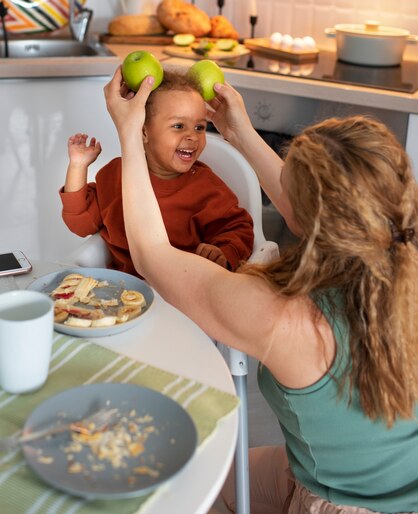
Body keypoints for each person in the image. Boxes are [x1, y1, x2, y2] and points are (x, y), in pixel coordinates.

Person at [104, 65, 418, 514]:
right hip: (376, 484)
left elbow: (153, 255)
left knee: (170, 492)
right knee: (201, 479)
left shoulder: (287, 318)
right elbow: (301, 207)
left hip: (338, 505)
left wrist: (130, 136)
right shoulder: (404, 248)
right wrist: (240, 133)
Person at [59, 71, 254, 276]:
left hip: (184, 292)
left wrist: (222, 253)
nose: (193, 136)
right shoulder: (116, 175)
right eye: (178, 126)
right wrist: (78, 166)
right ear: (143, 131)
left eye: (199, 127)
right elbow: (80, 224)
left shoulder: (207, 188)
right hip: (125, 292)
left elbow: (238, 229)